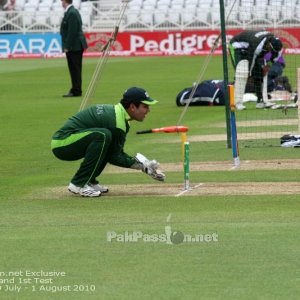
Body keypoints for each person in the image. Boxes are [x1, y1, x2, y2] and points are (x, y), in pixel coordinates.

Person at [51, 87, 166, 197]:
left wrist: (144, 165)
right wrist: (143, 166)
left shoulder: (119, 117)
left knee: (106, 140)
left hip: (67, 142)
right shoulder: (117, 123)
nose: (148, 110)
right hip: (62, 143)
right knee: (103, 136)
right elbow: (114, 157)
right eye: (145, 106)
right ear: (132, 107)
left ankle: (89, 181)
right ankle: (78, 183)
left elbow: (114, 152)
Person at [229, 30, 283, 110]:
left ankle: (261, 101)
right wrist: (249, 74)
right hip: (237, 46)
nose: (270, 51)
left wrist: (267, 66)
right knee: (242, 72)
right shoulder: (258, 45)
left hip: (251, 48)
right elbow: (252, 60)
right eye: (270, 49)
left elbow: (274, 58)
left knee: (260, 73)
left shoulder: (278, 47)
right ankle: (238, 103)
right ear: (268, 43)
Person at [60, 0, 88, 97]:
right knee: (75, 68)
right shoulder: (72, 11)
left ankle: (76, 90)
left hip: (74, 46)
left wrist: (67, 46)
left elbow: (72, 31)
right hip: (75, 45)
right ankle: (75, 88)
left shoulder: (71, 12)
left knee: (74, 69)